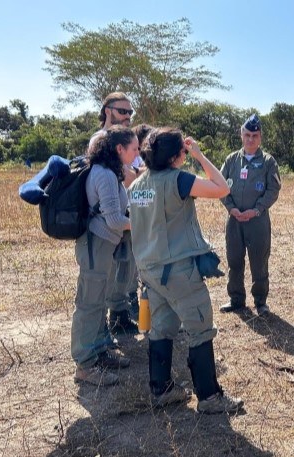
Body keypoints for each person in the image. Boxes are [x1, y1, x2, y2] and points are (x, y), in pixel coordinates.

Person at [128, 128, 243, 414]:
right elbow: (222, 187)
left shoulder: (137, 185)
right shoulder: (178, 180)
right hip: (177, 269)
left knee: (162, 327)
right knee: (200, 327)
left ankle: (161, 389)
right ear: (177, 155)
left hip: (149, 269)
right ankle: (209, 396)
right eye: (183, 151)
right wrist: (200, 155)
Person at [71, 126, 138, 386]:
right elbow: (113, 220)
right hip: (96, 245)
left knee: (97, 301)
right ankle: (85, 365)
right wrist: (142, 222)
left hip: (101, 246)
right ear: (119, 149)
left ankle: (98, 353)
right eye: (133, 149)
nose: (136, 154)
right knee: (89, 304)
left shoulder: (108, 172)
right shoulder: (106, 175)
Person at [90, 92, 141, 337]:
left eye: (130, 112)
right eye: (123, 111)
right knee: (107, 274)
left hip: (128, 214)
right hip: (109, 222)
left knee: (126, 269)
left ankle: (119, 317)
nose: (127, 117)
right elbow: (130, 176)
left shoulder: (124, 138)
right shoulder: (102, 140)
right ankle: (99, 334)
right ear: (108, 110)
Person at [219, 114, 281, 315]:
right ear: (241, 135)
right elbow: (220, 186)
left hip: (257, 221)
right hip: (235, 220)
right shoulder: (231, 160)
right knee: (234, 260)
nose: (250, 139)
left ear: (260, 137)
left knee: (259, 262)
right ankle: (236, 299)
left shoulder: (268, 162)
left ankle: (260, 302)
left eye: (254, 135)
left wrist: (257, 209)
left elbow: (273, 190)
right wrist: (231, 208)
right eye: (247, 135)